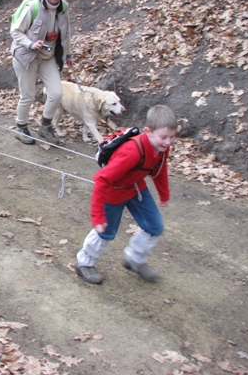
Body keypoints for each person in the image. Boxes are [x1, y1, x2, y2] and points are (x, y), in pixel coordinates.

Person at [74, 105, 178, 285]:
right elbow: (101, 179)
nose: (168, 142)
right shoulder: (131, 152)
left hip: (136, 188)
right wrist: (98, 216)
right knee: (105, 232)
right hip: (113, 192)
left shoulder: (161, 147)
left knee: (155, 226)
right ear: (148, 132)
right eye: (163, 137)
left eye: (171, 137)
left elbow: (160, 169)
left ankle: (135, 259)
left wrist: (164, 193)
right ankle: (85, 263)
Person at [10, 0, 73, 146]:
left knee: (56, 93)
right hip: (26, 56)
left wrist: (68, 53)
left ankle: (45, 126)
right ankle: (20, 127)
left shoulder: (64, 7)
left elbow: (66, 32)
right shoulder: (33, 7)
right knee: (28, 95)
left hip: (48, 56)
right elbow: (15, 31)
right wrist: (30, 44)